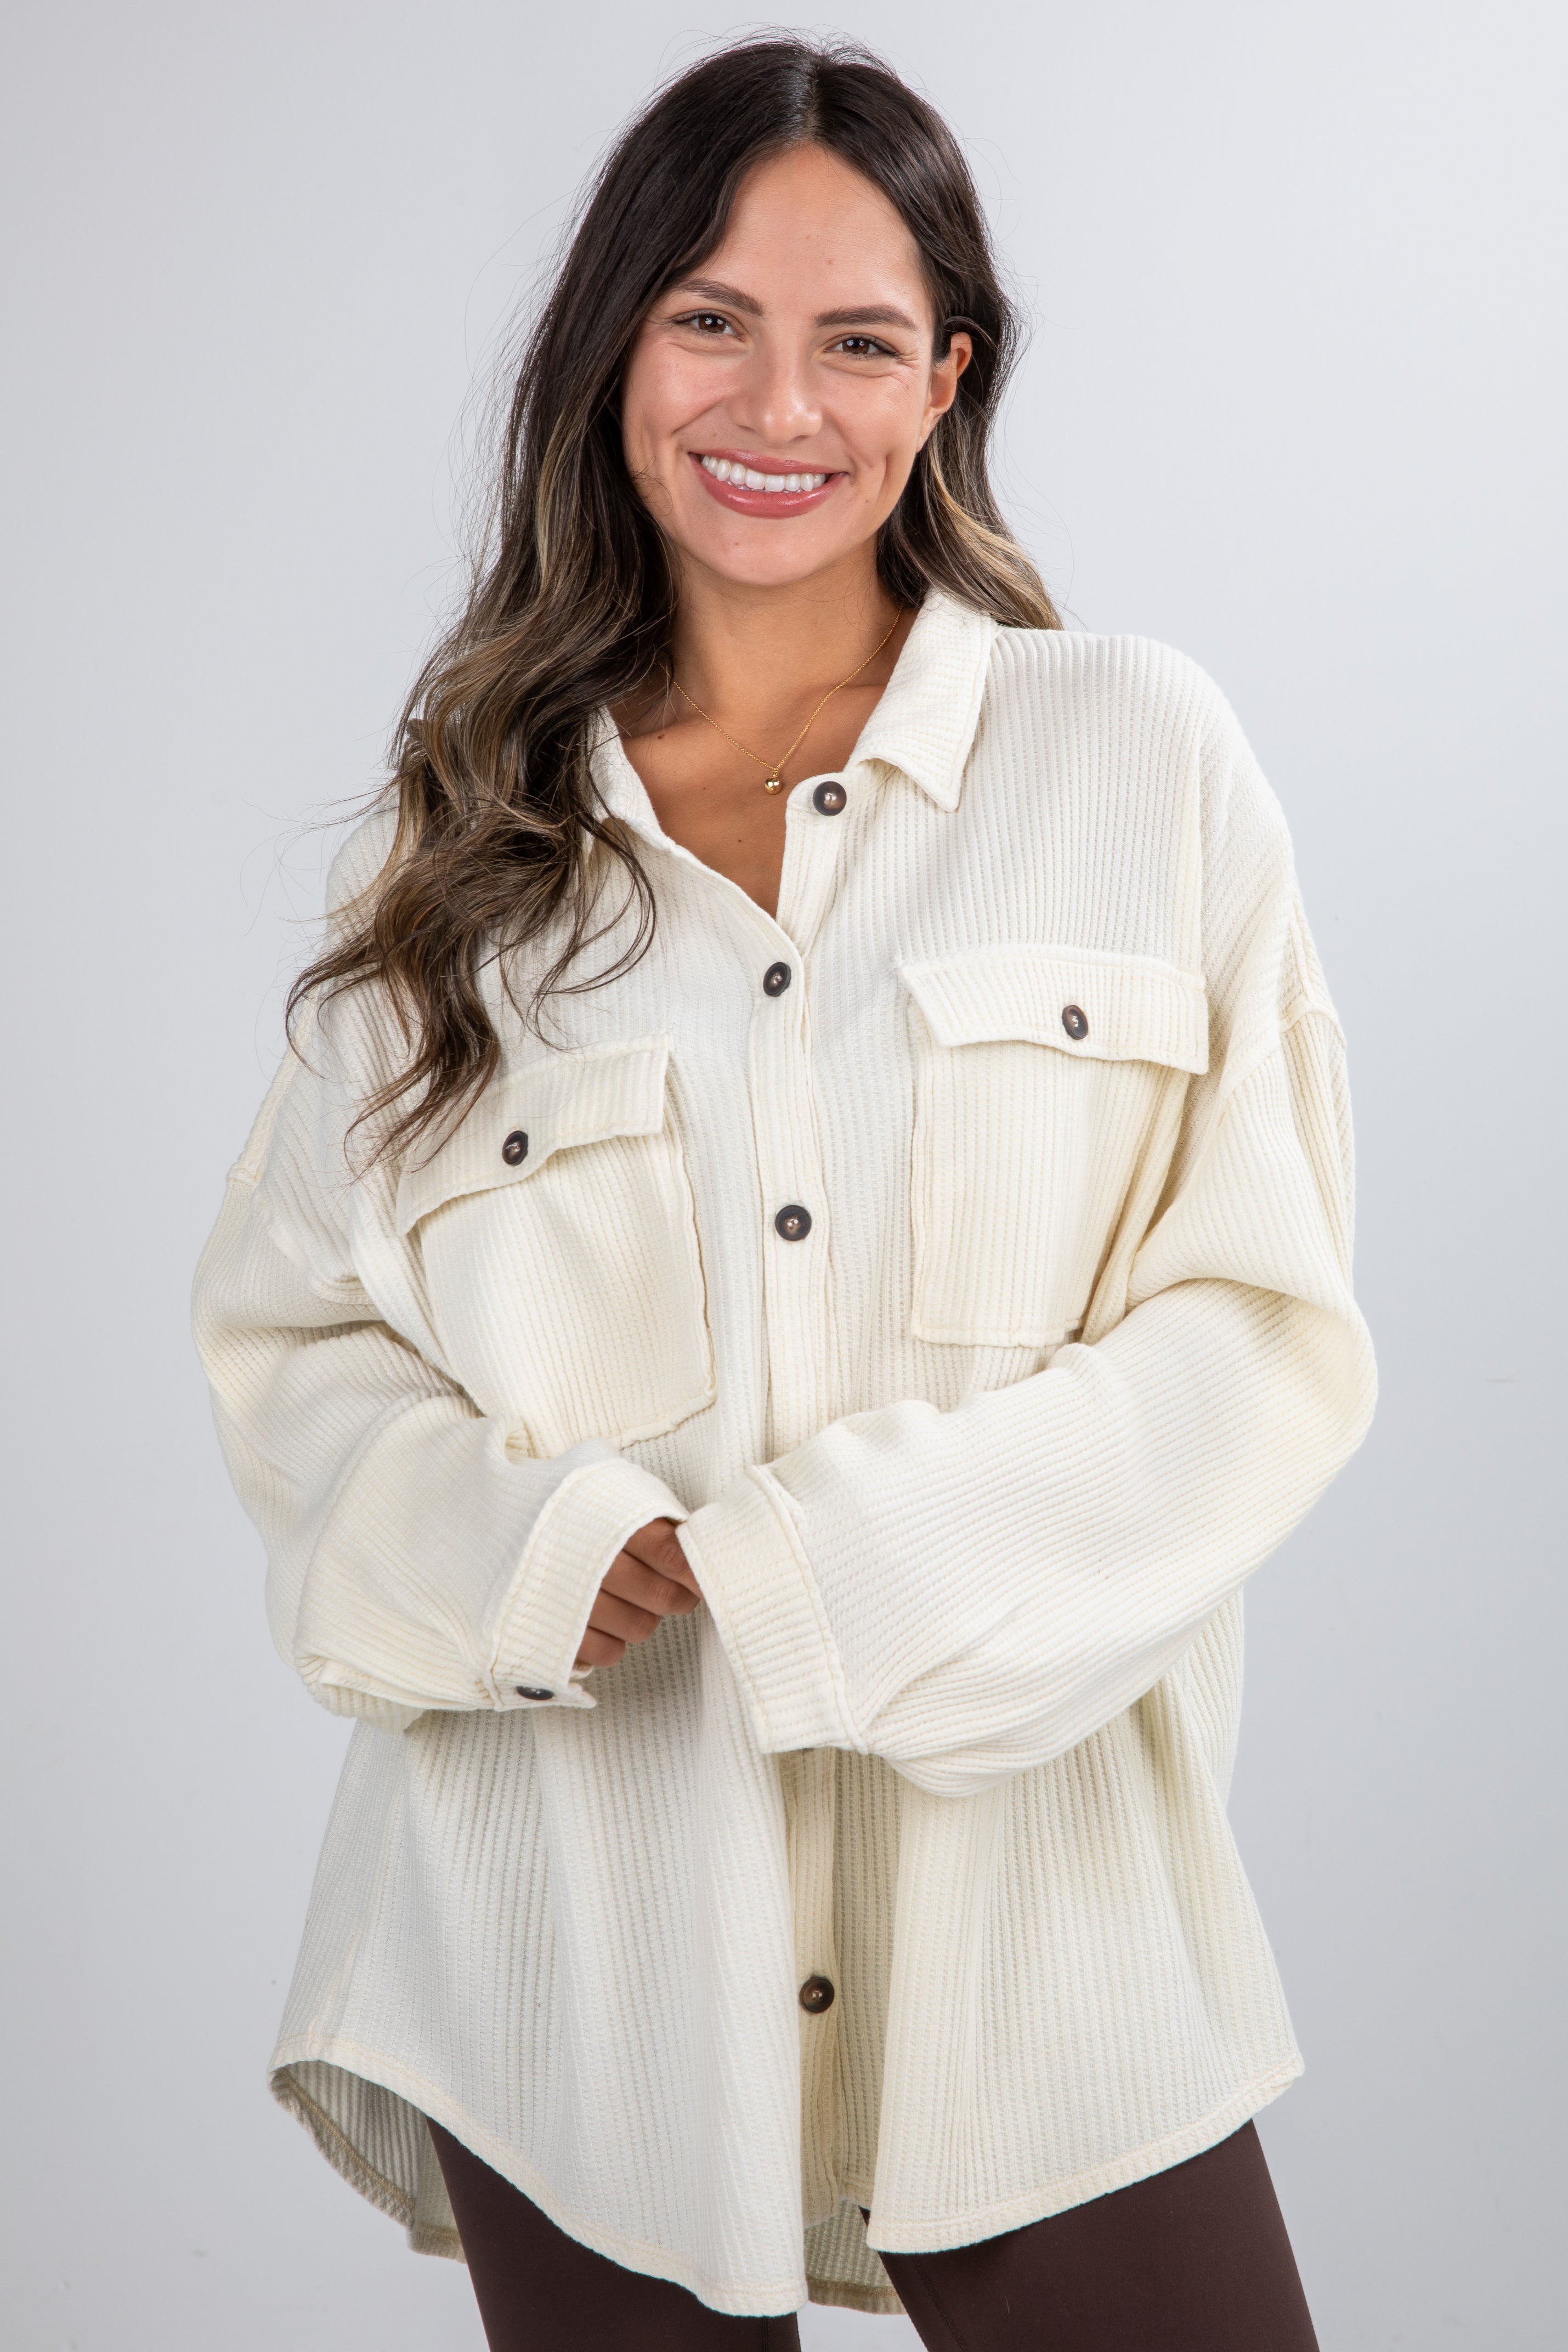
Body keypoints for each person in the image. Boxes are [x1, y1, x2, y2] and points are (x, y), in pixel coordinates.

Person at [194, 37, 1374, 2350]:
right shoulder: (461, 866)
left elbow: (1262, 1330)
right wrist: (535, 1551)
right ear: (617, 350)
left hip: (1041, 1933)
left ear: (945, 381)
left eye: (856, 337)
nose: (778, 398)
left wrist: (843, 1575)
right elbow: (289, 1345)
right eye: (711, 318)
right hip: (570, 1950)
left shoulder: (1134, 754)